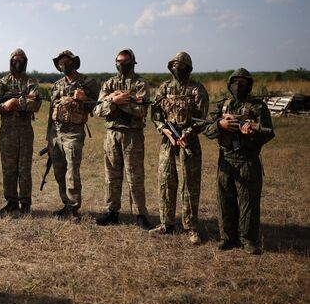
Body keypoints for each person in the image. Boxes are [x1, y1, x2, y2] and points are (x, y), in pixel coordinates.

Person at [203, 68, 274, 254]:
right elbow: (207, 129)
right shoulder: (222, 106)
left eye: (243, 83)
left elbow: (269, 132)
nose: (238, 86)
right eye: (235, 82)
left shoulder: (258, 107)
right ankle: (227, 237)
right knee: (224, 201)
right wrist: (220, 124)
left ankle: (248, 240)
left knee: (248, 202)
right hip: (226, 161)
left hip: (247, 162)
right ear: (229, 84)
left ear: (249, 85)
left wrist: (253, 130)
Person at [149, 51, 209, 245]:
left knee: (189, 185)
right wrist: (164, 130)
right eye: (174, 65)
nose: (177, 68)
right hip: (168, 142)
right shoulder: (164, 88)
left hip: (188, 142)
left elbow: (201, 119)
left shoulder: (197, 89)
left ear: (188, 68)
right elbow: (156, 114)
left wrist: (188, 132)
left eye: (181, 65)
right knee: (166, 181)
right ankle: (166, 224)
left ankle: (191, 227)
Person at [94, 49, 151, 229]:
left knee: (135, 176)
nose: (121, 64)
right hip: (112, 135)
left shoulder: (140, 83)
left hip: (132, 135)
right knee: (111, 175)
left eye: (125, 61)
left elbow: (141, 111)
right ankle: (112, 212)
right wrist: (115, 101)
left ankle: (140, 214)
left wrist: (116, 102)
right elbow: (97, 110)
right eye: (119, 61)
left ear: (133, 61)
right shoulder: (109, 83)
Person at [46, 50, 99, 220]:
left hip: (74, 133)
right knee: (59, 171)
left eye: (67, 62)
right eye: (61, 63)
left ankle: (74, 208)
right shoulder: (56, 85)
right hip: (56, 133)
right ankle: (66, 204)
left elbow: (98, 106)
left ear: (74, 62)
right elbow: (50, 112)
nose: (64, 65)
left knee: (72, 172)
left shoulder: (87, 82)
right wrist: (49, 138)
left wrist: (84, 99)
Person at [0, 49, 41, 214]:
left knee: (24, 168)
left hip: (25, 131)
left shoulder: (31, 82)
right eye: (15, 60)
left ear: (25, 62)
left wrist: (15, 102)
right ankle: (11, 201)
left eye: (21, 60)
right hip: (7, 132)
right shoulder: (3, 81)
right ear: (10, 61)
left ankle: (25, 203)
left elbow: (36, 104)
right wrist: (5, 106)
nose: (17, 62)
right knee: (8, 168)